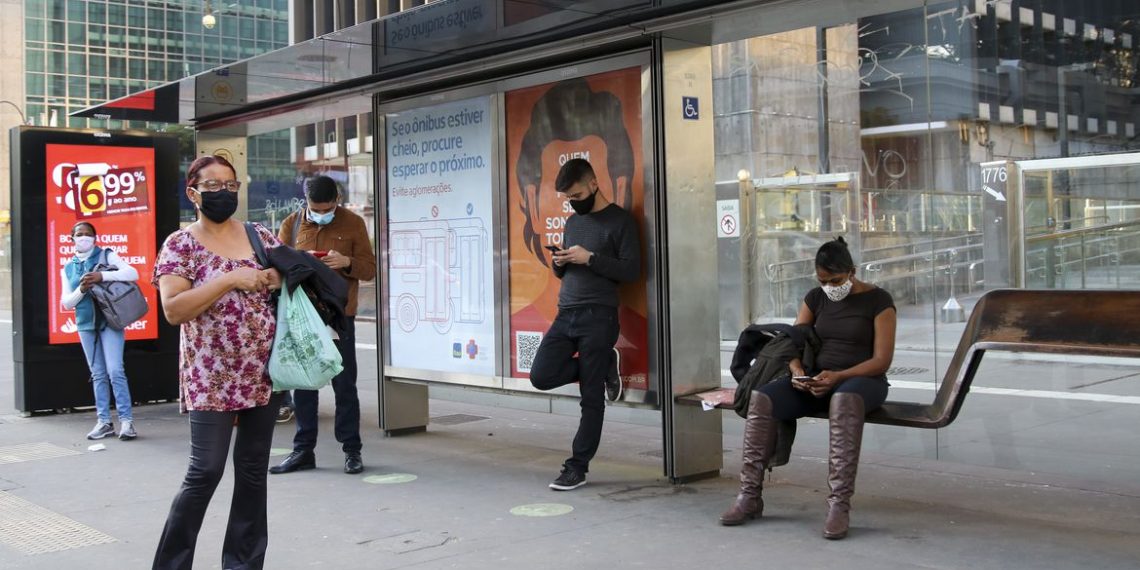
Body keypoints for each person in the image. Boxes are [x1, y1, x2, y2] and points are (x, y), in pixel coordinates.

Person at [151, 155, 283, 570]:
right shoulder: (180, 243)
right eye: (213, 186)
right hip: (211, 376)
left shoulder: (257, 233)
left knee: (251, 473)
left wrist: (273, 276)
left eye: (230, 185)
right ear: (193, 193)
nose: (224, 193)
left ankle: (243, 564)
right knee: (204, 472)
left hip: (262, 372)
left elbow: (288, 272)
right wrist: (229, 278)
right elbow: (173, 309)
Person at [719, 237, 896, 540]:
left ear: (852, 271)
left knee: (843, 400)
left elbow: (882, 360)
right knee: (764, 398)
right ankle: (749, 496)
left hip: (863, 382)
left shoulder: (879, 301)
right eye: (823, 280)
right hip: (816, 380)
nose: (829, 287)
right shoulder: (815, 298)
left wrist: (838, 377)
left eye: (835, 280)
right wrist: (798, 372)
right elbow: (793, 343)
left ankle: (839, 505)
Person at [528, 158, 641, 491]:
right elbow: (566, 271)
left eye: (576, 194)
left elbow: (631, 270)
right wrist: (561, 262)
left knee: (591, 396)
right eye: (568, 198)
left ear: (594, 184)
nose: (573, 202)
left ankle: (577, 467)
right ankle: (604, 364)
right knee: (541, 375)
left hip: (599, 315)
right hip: (567, 312)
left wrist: (589, 258)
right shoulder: (572, 223)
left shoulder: (620, 221)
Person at [269, 174, 377, 475]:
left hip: (339, 316)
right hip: (304, 316)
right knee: (304, 384)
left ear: (337, 201)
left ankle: (352, 450)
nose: (321, 213)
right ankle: (303, 450)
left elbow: (369, 269)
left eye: (327, 207)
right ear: (306, 202)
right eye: (315, 208)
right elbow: (277, 264)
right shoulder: (291, 224)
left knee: (344, 386)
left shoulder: (353, 223)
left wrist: (346, 262)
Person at [60, 221, 139, 441]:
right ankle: (104, 421)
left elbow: (132, 273)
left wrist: (102, 276)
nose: (83, 238)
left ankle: (126, 421)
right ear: (72, 238)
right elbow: (67, 303)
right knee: (98, 373)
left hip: (110, 320)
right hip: (85, 324)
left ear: (95, 238)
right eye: (79, 234)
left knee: (115, 371)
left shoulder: (106, 255)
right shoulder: (68, 267)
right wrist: (82, 289)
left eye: (88, 234)